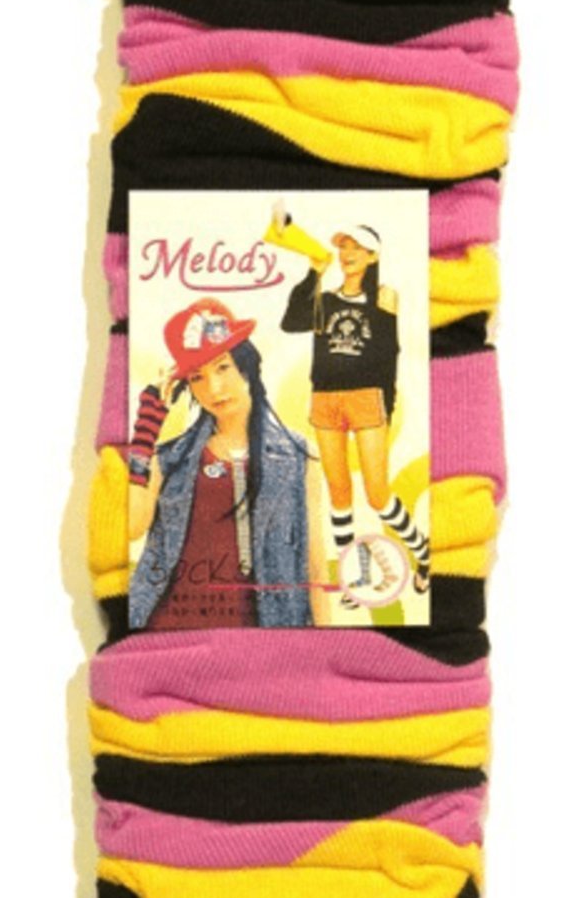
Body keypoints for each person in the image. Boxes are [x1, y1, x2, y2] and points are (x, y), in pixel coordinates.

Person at [127, 297, 329, 629]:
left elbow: (315, 566)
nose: (214, 388)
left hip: (264, 637)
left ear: (246, 366)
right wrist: (146, 430)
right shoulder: (170, 458)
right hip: (168, 631)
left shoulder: (297, 456)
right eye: (197, 378)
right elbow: (132, 527)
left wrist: (324, 641)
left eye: (223, 368)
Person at [279, 207, 430, 603]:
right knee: (339, 492)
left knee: (378, 494)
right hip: (324, 399)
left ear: (372, 255)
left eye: (356, 247)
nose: (347, 253)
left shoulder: (384, 297)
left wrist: (386, 405)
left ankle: (423, 552)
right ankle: (355, 578)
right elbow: (290, 322)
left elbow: (389, 353)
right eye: (343, 246)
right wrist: (314, 272)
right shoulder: (325, 300)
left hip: (367, 399)